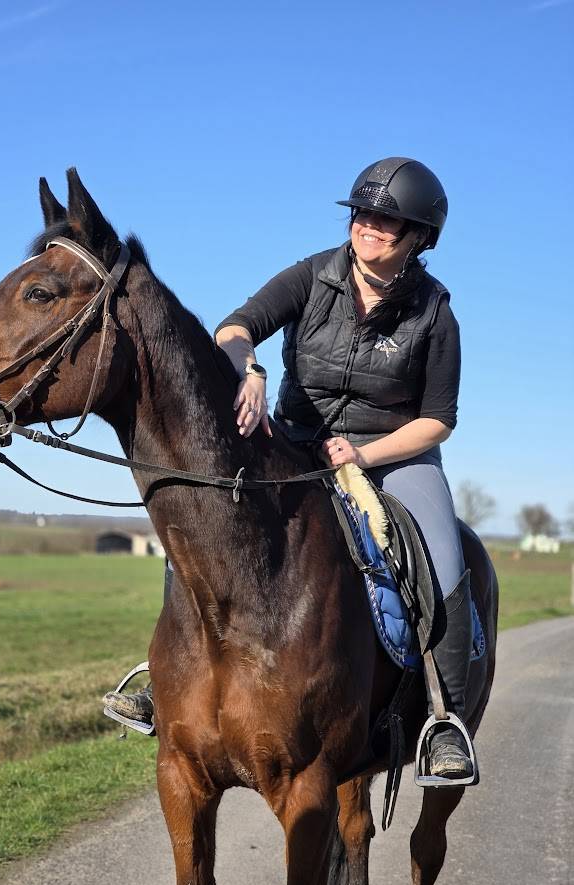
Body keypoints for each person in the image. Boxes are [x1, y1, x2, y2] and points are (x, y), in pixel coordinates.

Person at [105, 157, 475, 780]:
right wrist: (250, 368)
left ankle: (445, 719)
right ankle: (165, 681)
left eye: (387, 220)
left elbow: (438, 419)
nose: (369, 226)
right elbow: (234, 327)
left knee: (443, 562)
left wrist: (364, 454)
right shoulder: (313, 274)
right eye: (362, 214)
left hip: (393, 455)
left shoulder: (434, 313)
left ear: (419, 236)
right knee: (203, 523)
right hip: (295, 442)